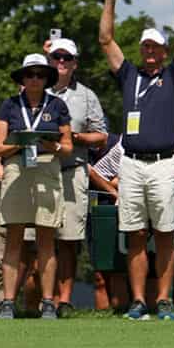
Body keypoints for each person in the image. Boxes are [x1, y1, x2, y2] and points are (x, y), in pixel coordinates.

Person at [99, 0, 174, 321]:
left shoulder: (173, 75)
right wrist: (109, 0)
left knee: (165, 233)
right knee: (136, 234)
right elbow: (106, 41)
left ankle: (164, 300)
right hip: (132, 162)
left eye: (155, 46)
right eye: (145, 46)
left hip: (166, 162)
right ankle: (139, 301)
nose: (150, 51)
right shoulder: (129, 76)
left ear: (164, 50)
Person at [0, 53, 75, 319]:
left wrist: (53, 145)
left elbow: (68, 147)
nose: (35, 79)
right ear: (23, 78)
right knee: (14, 238)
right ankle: (7, 302)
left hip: (47, 165)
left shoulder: (58, 105)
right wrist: (22, 141)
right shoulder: (10, 105)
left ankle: (48, 301)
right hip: (17, 166)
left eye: (40, 74)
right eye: (30, 74)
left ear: (47, 78)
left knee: (46, 239)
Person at [46, 37, 106, 314]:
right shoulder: (35, 89)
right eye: (56, 57)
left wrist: (75, 137)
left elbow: (102, 135)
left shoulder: (86, 95)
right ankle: (43, 300)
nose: (61, 62)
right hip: (40, 171)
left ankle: (65, 300)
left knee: (69, 239)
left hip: (73, 170)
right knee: (40, 239)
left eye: (66, 58)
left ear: (74, 64)